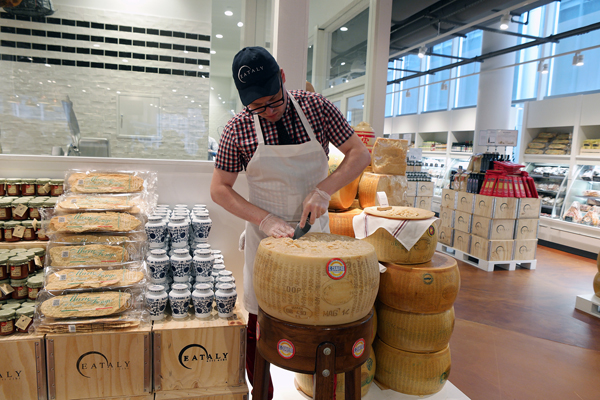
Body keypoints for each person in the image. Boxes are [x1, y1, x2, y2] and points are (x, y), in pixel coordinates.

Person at [210, 46, 370, 398]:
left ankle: (317, 387)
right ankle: (261, 392)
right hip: (264, 241)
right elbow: (220, 189)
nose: (267, 113)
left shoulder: (317, 108)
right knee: (259, 320)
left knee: (320, 318)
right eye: (257, 107)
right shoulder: (237, 128)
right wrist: (264, 219)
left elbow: (361, 154)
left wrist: (325, 190)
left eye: (273, 101)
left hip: (316, 238)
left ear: (283, 78)